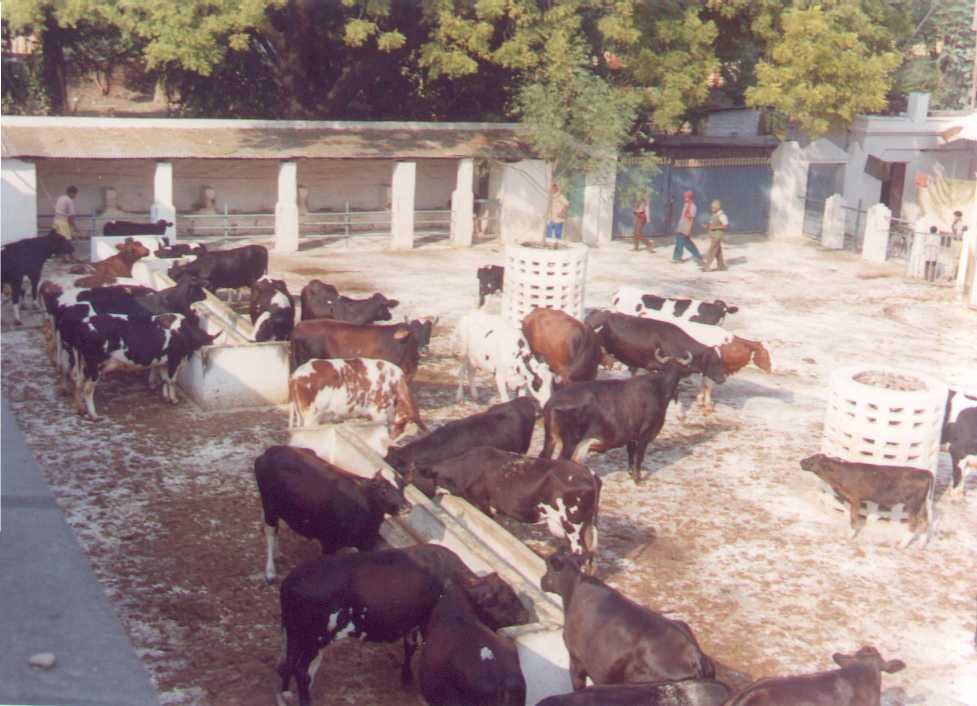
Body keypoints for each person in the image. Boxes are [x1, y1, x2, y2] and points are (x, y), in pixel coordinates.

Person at [671, 190, 703, 264]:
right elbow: (682, 216)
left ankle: (678, 258)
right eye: (685, 197)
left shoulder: (693, 206)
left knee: (681, 241)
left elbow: (691, 219)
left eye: (686, 197)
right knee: (685, 241)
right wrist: (679, 225)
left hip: (687, 225)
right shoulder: (685, 205)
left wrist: (689, 229)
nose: (685, 198)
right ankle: (697, 254)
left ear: (690, 197)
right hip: (682, 224)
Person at [53, 185, 81, 262]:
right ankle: (70, 257)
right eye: (75, 194)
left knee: (61, 240)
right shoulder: (69, 200)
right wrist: (75, 227)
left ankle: (66, 257)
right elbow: (71, 217)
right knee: (67, 240)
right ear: (71, 193)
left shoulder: (61, 198)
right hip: (63, 222)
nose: (75, 196)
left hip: (56, 221)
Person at [700, 199, 729, 271]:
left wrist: (715, 227)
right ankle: (721, 266)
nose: (712, 209)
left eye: (713, 207)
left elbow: (725, 225)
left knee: (712, 250)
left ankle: (707, 266)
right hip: (713, 235)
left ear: (718, 207)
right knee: (718, 250)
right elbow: (711, 223)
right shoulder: (714, 215)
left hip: (718, 235)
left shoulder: (722, 215)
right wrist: (707, 225)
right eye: (711, 207)